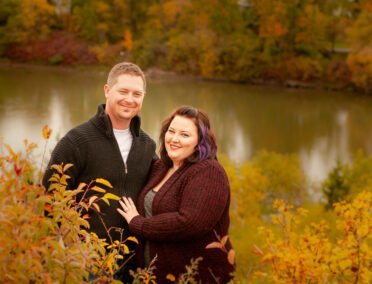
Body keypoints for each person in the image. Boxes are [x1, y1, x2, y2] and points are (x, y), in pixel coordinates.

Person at [42, 62, 157, 282]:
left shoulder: (147, 145)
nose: (130, 99)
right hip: (86, 263)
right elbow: (48, 200)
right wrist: (65, 247)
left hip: (132, 262)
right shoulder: (76, 141)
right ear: (107, 90)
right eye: (123, 91)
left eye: (137, 93)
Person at [117, 106, 235, 283]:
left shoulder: (209, 172)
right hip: (150, 275)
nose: (174, 139)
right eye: (171, 131)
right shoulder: (161, 167)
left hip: (194, 276)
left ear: (200, 141)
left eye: (185, 135)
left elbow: (190, 222)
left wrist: (138, 223)